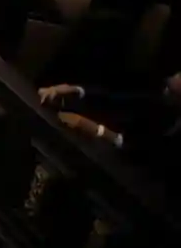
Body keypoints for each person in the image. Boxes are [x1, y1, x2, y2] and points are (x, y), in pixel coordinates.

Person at [38, 73, 181, 178]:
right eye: (167, 87)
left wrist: (96, 129)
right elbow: (114, 100)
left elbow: (145, 155)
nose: (165, 91)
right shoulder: (159, 100)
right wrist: (75, 90)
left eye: (172, 92)